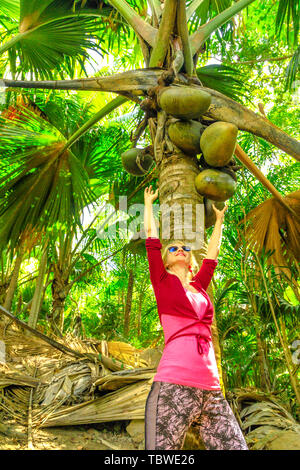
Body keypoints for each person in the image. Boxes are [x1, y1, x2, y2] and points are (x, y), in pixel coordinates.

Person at [143, 185, 248, 451]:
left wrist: (220, 220)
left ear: (191, 259)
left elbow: (212, 256)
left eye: (185, 247)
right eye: (174, 248)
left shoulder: (200, 287)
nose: (180, 248)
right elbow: (152, 241)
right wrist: (148, 204)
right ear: (165, 261)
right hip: (173, 387)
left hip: (212, 391)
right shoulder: (162, 282)